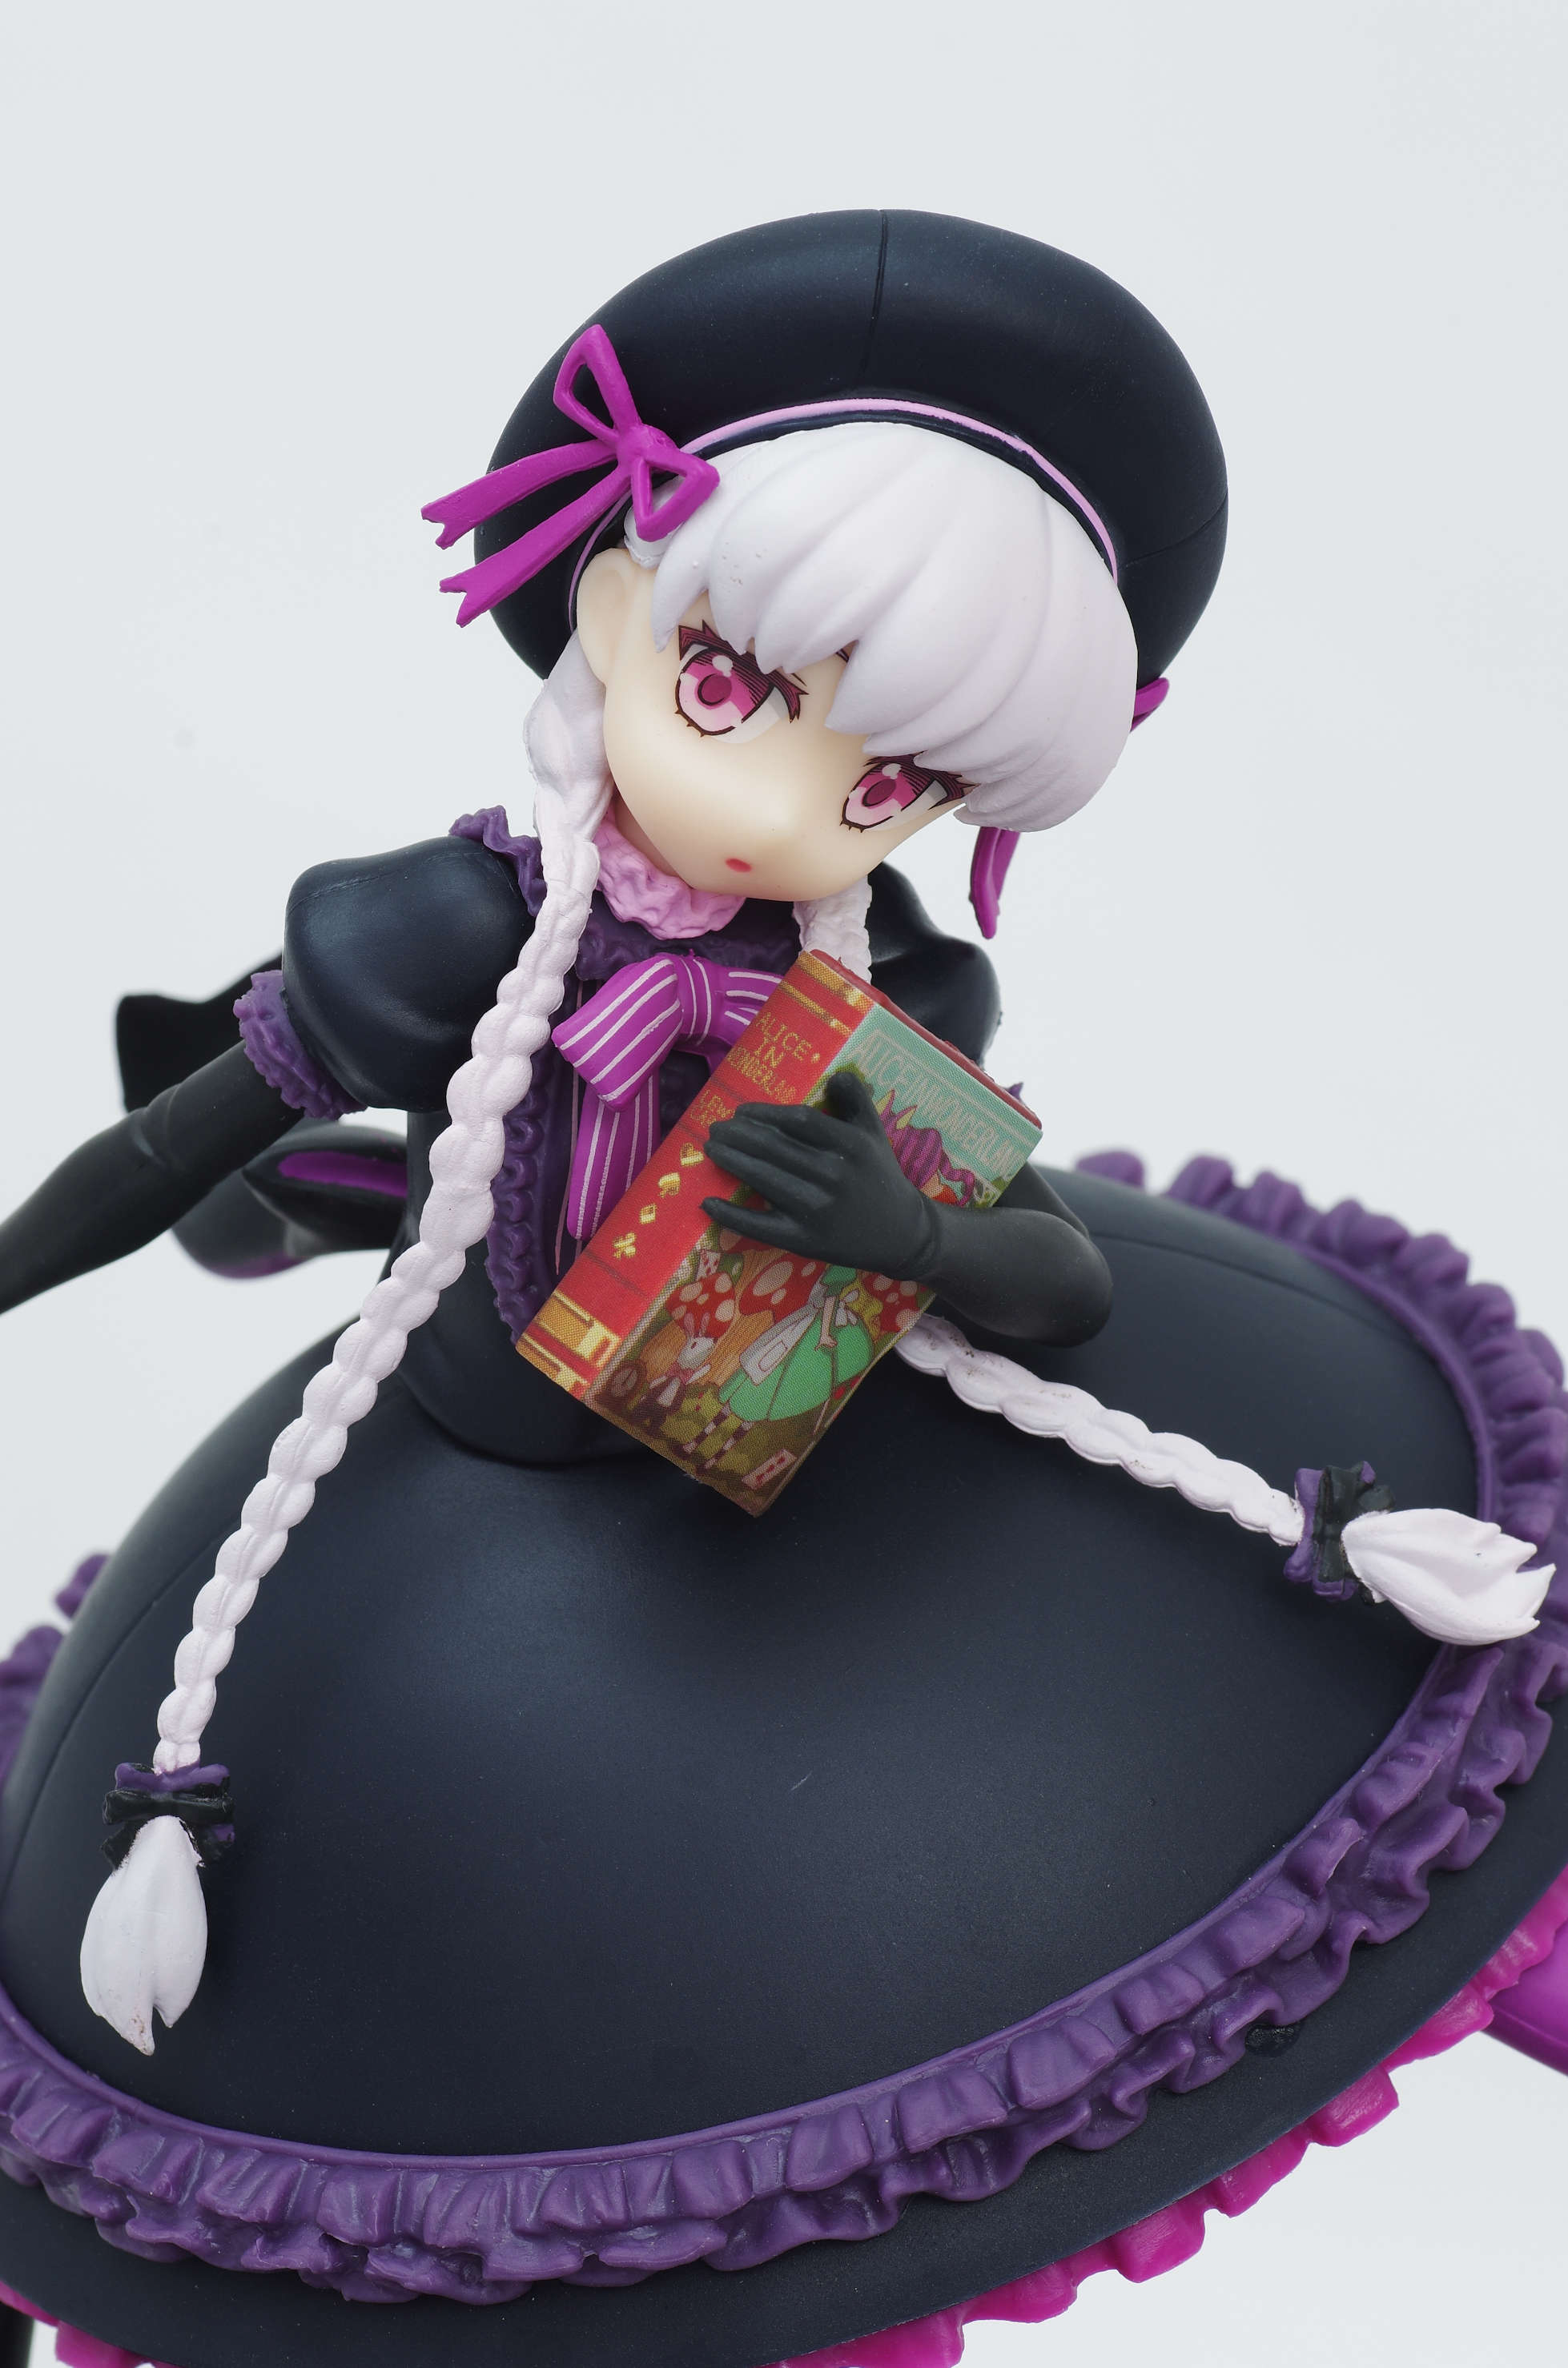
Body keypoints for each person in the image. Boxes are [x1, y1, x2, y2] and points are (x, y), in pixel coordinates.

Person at [0, 211, 1557, 2368]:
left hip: (837, 1461)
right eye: (725, 687)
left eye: (886, 778)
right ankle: (355, 1198)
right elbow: (173, 1138)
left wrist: (909, 1235)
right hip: (496, 1503)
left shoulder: (882, 994)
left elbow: (1056, 1281)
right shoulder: (444, 938)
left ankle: (360, 1196)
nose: (770, 804)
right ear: (603, 602)